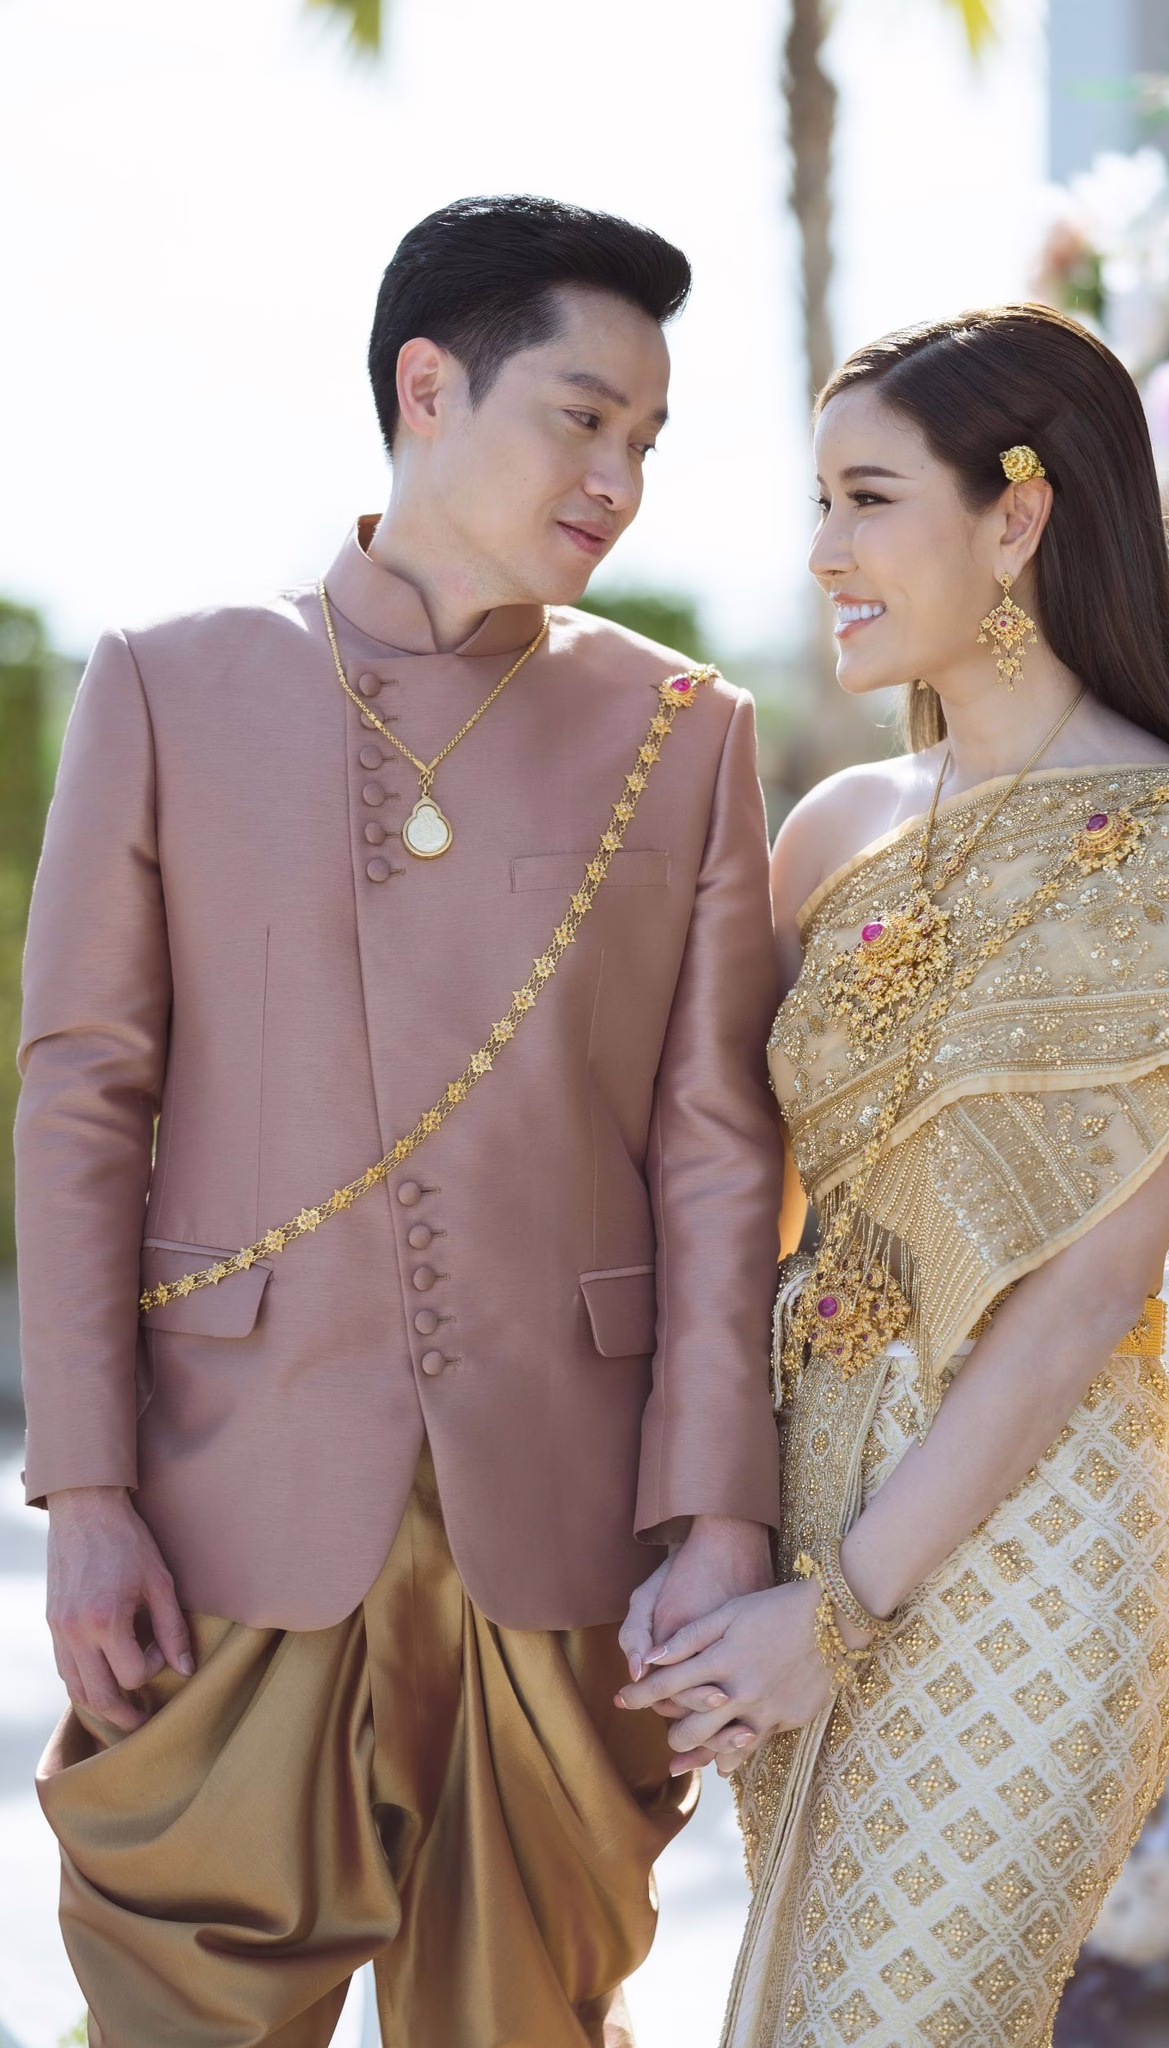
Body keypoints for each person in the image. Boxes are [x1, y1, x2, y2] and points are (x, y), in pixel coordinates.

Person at [17, 194, 784, 2048]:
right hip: (231, 1511)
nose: (618, 480)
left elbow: (715, 1148)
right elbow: (84, 1100)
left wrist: (719, 1512)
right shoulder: (168, 685)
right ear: (427, 387)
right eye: (583, 419)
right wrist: (90, 1495)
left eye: (650, 441)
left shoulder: (683, 731)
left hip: (565, 1527)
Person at [617, 306, 1169, 2048]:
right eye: (820, 502)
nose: (826, 551)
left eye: (870, 499)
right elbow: (729, 1198)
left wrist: (840, 1611)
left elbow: (1086, 1300)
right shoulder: (836, 829)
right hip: (807, 1492)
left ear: (1017, 516)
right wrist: (716, 1529)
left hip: (1036, 1538)